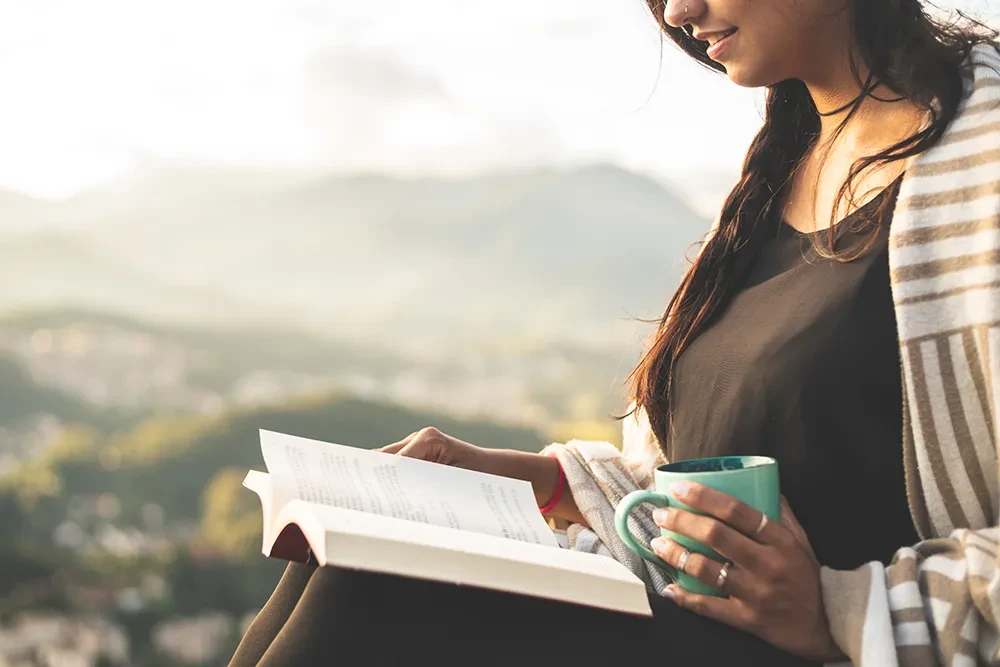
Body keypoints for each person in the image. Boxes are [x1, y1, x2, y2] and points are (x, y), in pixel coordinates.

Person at [230, 1, 1000, 665]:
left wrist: (838, 607)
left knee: (373, 600)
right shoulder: (782, 174)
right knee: (349, 553)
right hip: (693, 629)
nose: (677, 13)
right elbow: (693, 480)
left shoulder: (981, 164)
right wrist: (533, 481)